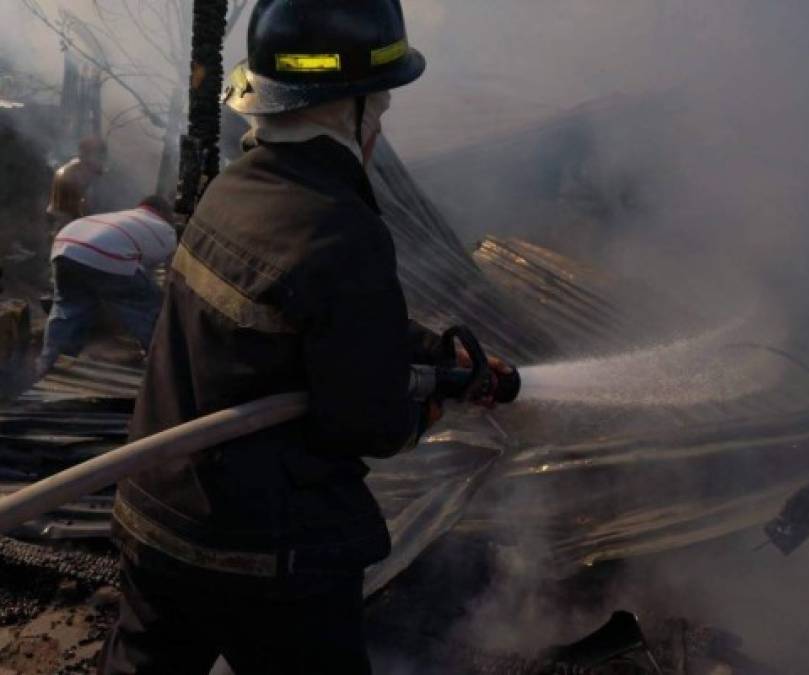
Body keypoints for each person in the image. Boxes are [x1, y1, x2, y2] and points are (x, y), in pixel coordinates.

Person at [100, 2, 511, 674]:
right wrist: (430, 405)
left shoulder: (230, 189)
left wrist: (437, 354)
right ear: (347, 108)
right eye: (377, 105)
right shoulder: (340, 229)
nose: (379, 121)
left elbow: (317, 319)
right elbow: (368, 421)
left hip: (155, 513)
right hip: (267, 553)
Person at [36, 196, 177, 377]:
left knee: (69, 309)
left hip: (65, 246)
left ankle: (50, 362)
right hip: (103, 253)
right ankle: (160, 363)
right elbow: (167, 274)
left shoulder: (124, 217)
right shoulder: (165, 229)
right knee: (150, 305)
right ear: (165, 214)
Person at [46, 136, 107, 231]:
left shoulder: (82, 171)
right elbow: (71, 214)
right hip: (65, 225)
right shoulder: (70, 177)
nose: (101, 161)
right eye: (99, 156)